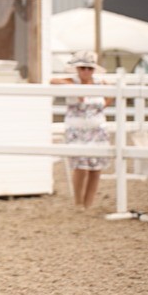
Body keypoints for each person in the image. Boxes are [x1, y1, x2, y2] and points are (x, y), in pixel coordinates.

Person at [53, 51, 111, 209]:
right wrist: (74, 87)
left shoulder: (101, 83)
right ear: (77, 69)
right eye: (83, 68)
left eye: (89, 68)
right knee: (80, 167)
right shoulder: (72, 81)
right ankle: (78, 202)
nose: (86, 71)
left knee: (95, 169)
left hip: (97, 130)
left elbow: (111, 95)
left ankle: (88, 203)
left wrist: (103, 105)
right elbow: (53, 81)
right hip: (77, 130)